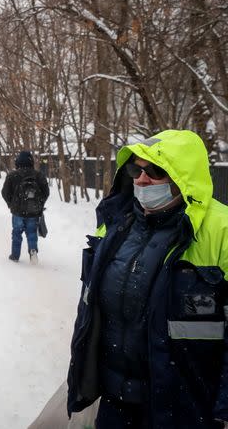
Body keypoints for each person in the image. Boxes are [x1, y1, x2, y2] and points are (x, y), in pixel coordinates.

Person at [67, 130, 228, 428]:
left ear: (184, 178)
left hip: (186, 411)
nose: (141, 180)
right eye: (135, 169)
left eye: (155, 171)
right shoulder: (116, 225)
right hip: (115, 402)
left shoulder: (221, 230)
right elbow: (90, 312)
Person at [1, 150, 49, 264]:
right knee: (32, 232)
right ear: (31, 161)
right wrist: (39, 204)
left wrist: (11, 204)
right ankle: (33, 251)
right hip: (34, 211)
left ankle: (15, 255)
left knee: (17, 233)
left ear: (18, 161)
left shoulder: (12, 175)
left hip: (17, 211)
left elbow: (5, 192)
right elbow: (46, 192)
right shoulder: (38, 175)